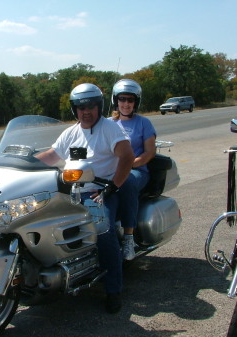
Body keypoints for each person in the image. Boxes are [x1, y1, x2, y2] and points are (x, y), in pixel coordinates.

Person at [36, 83, 134, 314]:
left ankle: (113, 290)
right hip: (70, 191)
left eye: (90, 106)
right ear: (74, 109)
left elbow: (127, 156)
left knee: (103, 232)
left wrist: (113, 186)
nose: (85, 111)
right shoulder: (71, 132)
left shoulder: (109, 128)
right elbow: (52, 155)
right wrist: (24, 162)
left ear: (99, 106)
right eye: (80, 107)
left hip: (99, 192)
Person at [109, 79, 157, 260]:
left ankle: (129, 238)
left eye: (130, 100)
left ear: (136, 102)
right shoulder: (107, 123)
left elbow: (150, 152)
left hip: (136, 171)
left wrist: (130, 164)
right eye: (122, 99)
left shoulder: (143, 123)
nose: (126, 103)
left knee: (126, 183)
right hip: (111, 170)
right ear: (116, 100)